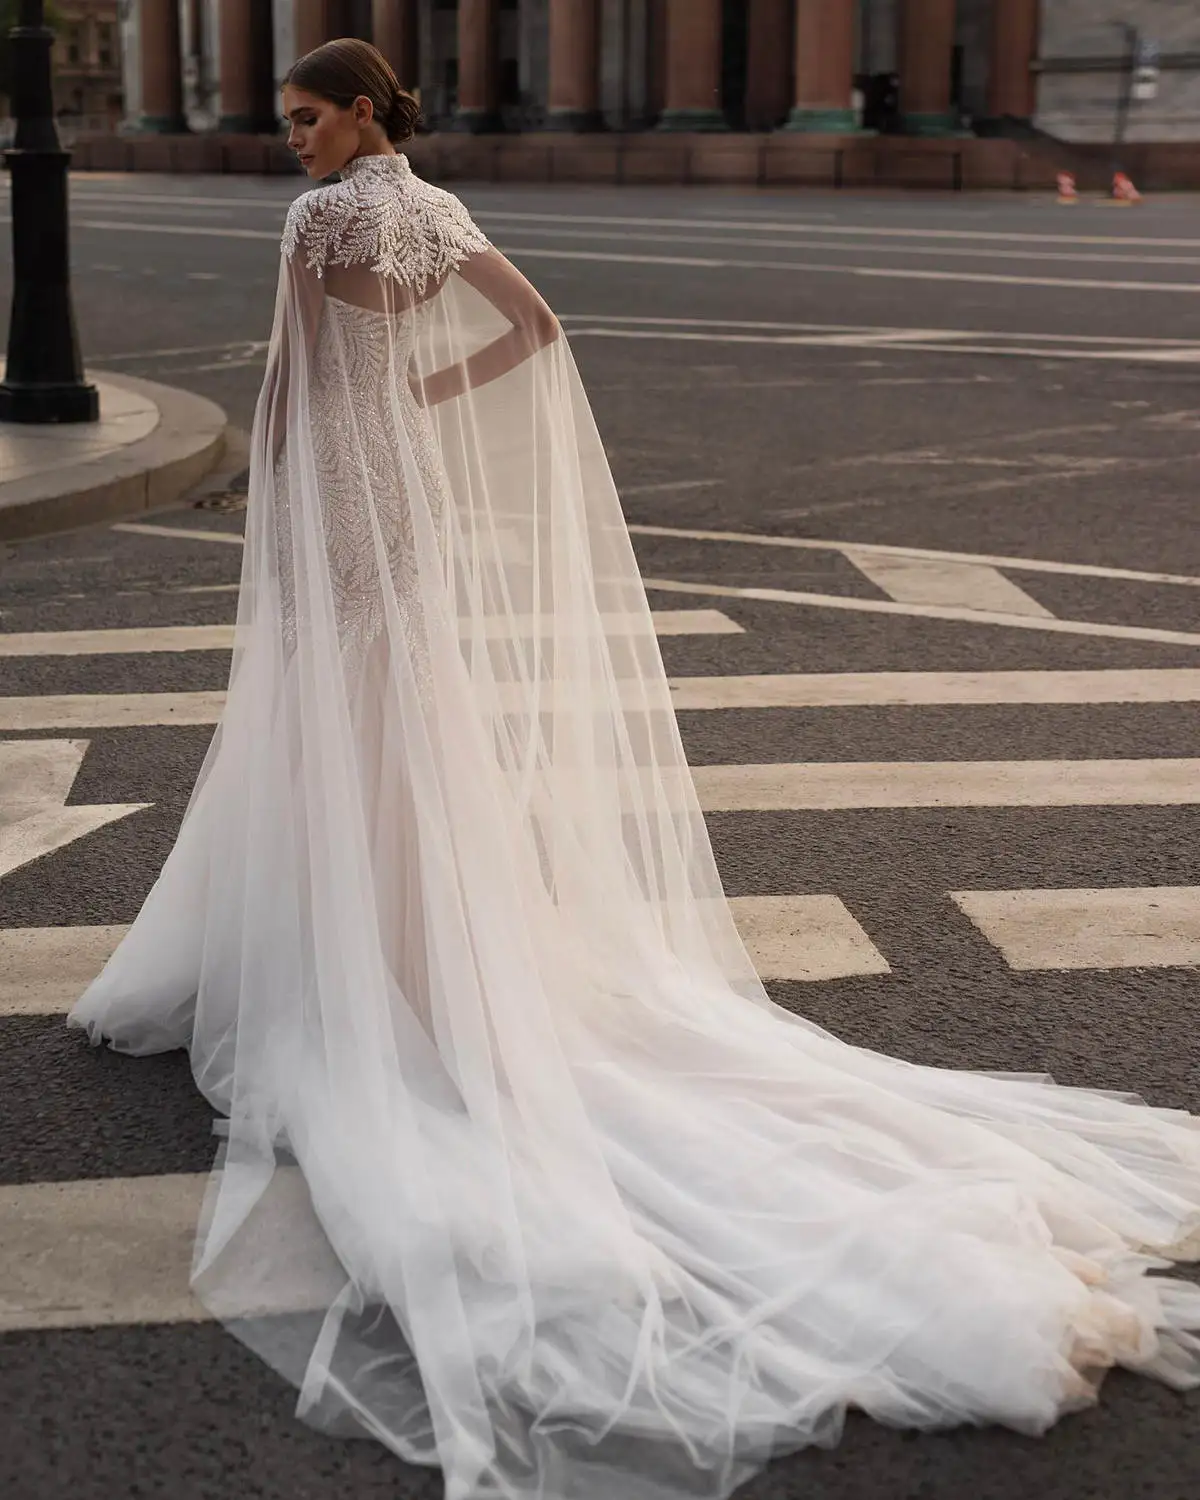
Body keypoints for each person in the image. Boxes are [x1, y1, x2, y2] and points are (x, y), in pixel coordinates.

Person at [69, 37, 1200, 1500]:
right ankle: (422, 944)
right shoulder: (434, 208)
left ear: (359, 111)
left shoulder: (319, 222)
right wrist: (419, 402)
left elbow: (291, 381)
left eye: (304, 117)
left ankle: (369, 957)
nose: (290, 141)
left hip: (332, 497)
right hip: (405, 497)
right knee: (408, 722)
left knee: (332, 726)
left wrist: (280, 510)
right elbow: (536, 331)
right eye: (286, 124)